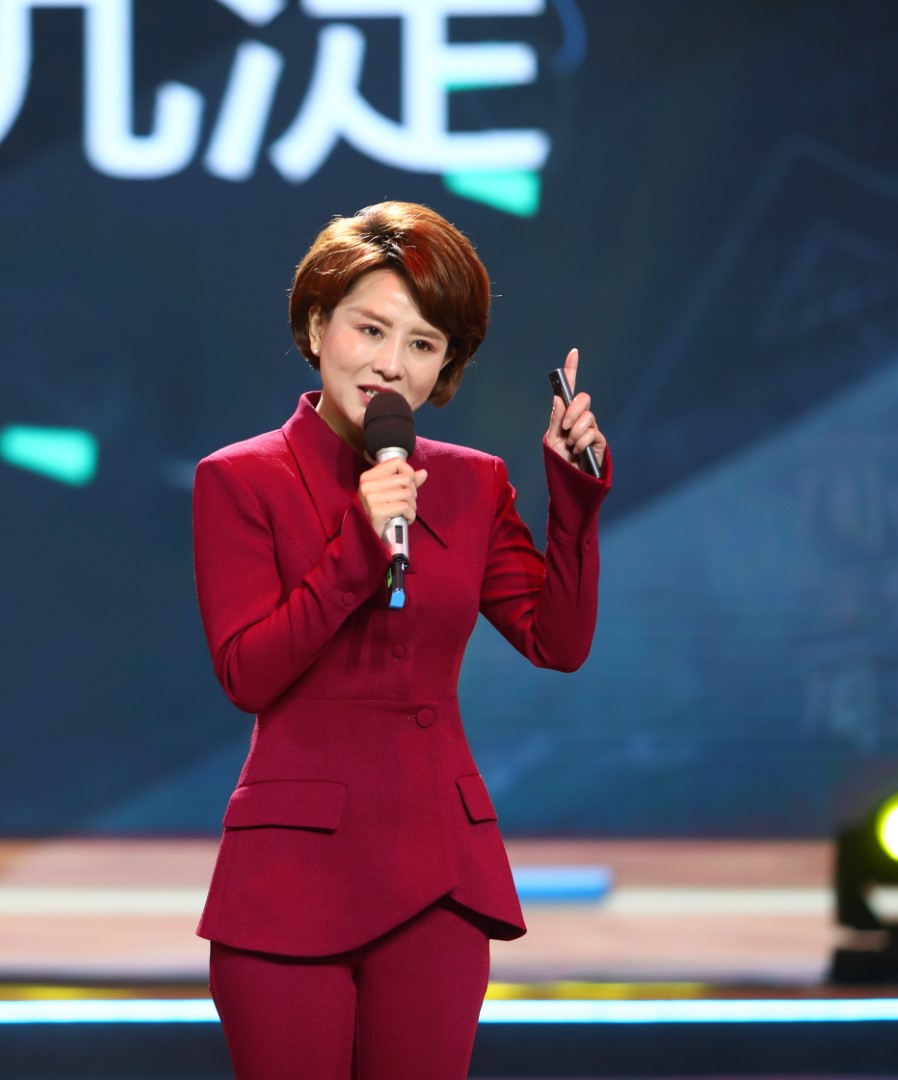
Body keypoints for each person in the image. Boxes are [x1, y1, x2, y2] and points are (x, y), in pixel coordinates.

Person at [191, 201, 610, 1079]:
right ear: (318, 326)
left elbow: (557, 642)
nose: (391, 364)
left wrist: (573, 498)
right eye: (371, 329)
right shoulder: (240, 479)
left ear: (446, 364)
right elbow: (248, 674)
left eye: (422, 344)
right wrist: (359, 542)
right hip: (289, 876)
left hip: (437, 875)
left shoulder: (472, 483)